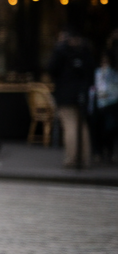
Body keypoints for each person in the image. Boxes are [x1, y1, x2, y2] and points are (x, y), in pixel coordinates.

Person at [49, 28, 96, 168]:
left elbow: (52, 68)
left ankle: (72, 157)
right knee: (82, 126)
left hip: (66, 94)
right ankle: (84, 157)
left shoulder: (62, 51)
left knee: (69, 125)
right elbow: (91, 72)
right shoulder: (84, 51)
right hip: (82, 93)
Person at [92, 45, 117, 164]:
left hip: (110, 103)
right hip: (98, 103)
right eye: (102, 61)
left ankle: (109, 151)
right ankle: (99, 152)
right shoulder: (96, 72)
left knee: (109, 129)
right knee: (98, 128)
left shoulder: (113, 73)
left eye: (106, 61)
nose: (104, 63)